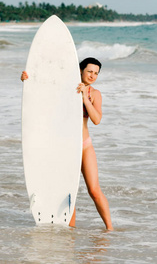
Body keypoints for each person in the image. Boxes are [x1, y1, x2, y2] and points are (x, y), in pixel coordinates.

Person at [21, 57, 113, 231]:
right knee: (68, 192)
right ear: (80, 70)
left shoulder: (95, 93)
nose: (92, 75)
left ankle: (110, 229)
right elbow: (42, 95)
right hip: (64, 146)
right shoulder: (64, 89)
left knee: (94, 190)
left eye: (96, 73)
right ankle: (71, 231)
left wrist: (86, 98)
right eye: (89, 71)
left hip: (84, 145)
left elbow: (97, 119)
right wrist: (28, 80)